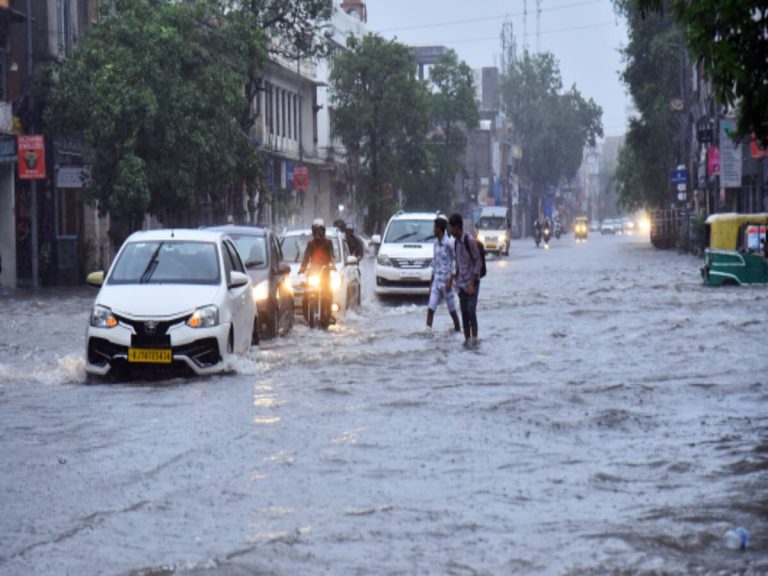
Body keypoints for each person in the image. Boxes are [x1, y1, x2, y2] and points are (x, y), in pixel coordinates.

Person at [448, 213, 482, 345]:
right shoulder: (456, 243)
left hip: (472, 283)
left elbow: (477, 262)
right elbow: (458, 263)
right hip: (461, 284)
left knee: (471, 311)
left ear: (457, 227)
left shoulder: (469, 241)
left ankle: (474, 340)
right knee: (464, 314)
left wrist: (472, 283)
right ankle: (467, 341)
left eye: (451, 227)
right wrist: (454, 279)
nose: (450, 230)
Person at [426, 216, 461, 333]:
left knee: (452, 311)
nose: (433, 230)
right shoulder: (435, 243)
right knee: (430, 309)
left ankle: (458, 330)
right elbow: (434, 263)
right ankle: (428, 332)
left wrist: (451, 279)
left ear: (440, 229)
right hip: (437, 282)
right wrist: (431, 283)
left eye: (434, 228)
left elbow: (455, 261)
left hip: (447, 283)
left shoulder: (450, 243)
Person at [299, 218, 336, 324]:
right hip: (313, 272)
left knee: (328, 292)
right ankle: (306, 315)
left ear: (324, 231)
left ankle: (328, 314)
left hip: (325, 272)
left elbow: (332, 255)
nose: (318, 233)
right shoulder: (310, 244)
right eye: (316, 231)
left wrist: (332, 265)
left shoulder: (329, 243)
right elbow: (306, 257)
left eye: (320, 231)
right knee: (306, 295)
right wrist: (302, 267)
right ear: (313, 232)